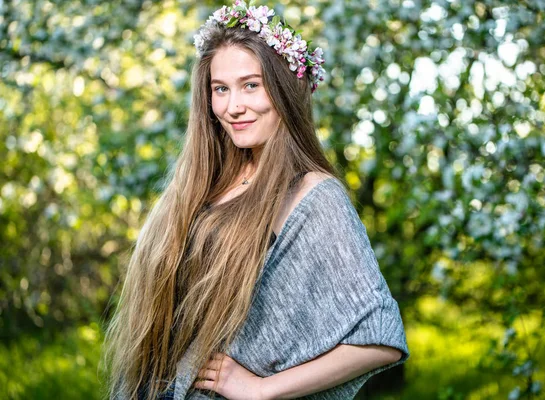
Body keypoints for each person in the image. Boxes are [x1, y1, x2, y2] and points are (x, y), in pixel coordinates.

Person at [104, 1, 409, 399]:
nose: (233, 107)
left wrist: (261, 389)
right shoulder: (204, 184)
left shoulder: (313, 196)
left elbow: (380, 336)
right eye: (221, 89)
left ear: (283, 89)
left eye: (251, 85)